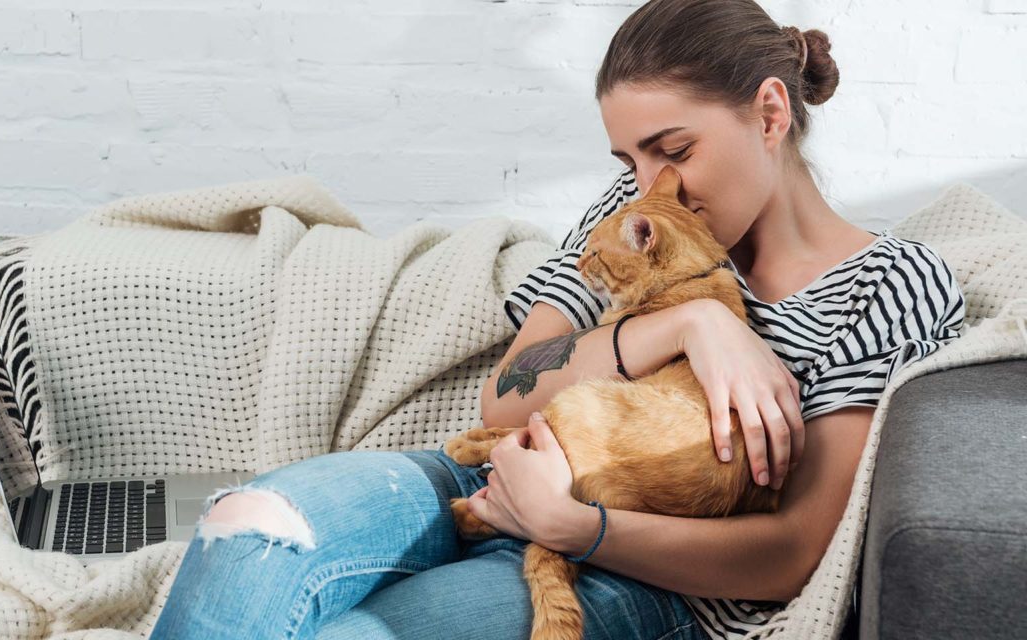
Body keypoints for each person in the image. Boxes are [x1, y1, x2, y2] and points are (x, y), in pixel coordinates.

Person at [149, 0, 967, 638]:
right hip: (503, 473)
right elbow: (509, 393)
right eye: (630, 160)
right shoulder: (632, 214)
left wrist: (575, 526)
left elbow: (794, 553)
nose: (649, 184)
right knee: (248, 524)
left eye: (674, 150)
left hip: (644, 575)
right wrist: (690, 326)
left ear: (770, 114)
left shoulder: (890, 283)